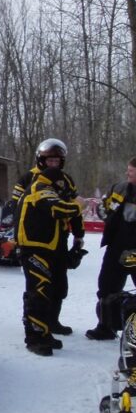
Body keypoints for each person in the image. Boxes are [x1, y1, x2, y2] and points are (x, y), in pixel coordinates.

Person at [16, 138, 85, 356]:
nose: (53, 164)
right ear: (42, 160)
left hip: (56, 241)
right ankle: (35, 334)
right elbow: (60, 208)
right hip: (35, 242)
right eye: (50, 160)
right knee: (38, 289)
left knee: (56, 285)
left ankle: (48, 327)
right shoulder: (35, 182)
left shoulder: (63, 180)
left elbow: (74, 211)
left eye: (57, 160)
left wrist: (78, 235)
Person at [87, 157, 136, 340]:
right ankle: (106, 326)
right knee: (107, 287)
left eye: (130, 171)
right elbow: (103, 208)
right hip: (117, 246)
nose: (127, 173)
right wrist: (103, 210)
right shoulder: (119, 188)